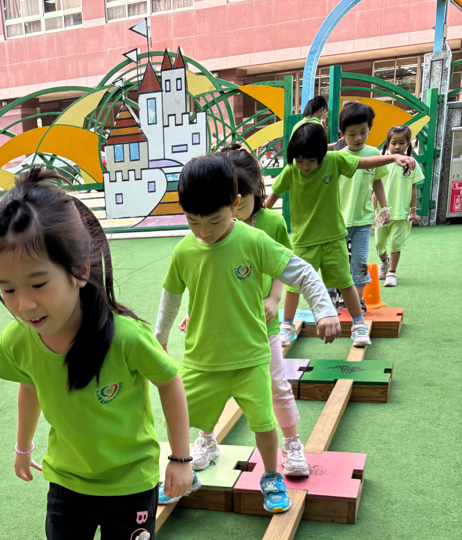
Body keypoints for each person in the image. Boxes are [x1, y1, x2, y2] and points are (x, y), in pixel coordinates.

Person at [0, 168, 192, 540]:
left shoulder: (124, 336)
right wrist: (23, 446)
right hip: (69, 481)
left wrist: (181, 457)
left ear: (79, 270)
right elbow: (30, 384)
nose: (24, 304)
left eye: (37, 284)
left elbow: (170, 381)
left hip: (129, 483)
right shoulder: (20, 340)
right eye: (8, 289)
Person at [155, 155, 339, 514]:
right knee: (178, 416)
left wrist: (325, 310)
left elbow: (301, 272)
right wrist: (159, 338)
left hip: (250, 357)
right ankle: (185, 472)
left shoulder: (253, 241)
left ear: (235, 203)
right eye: (193, 221)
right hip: (202, 359)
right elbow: (171, 297)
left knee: (263, 422)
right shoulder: (184, 250)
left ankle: (271, 477)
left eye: (214, 220)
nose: (204, 232)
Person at [178, 145, 309, 476]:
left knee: (275, 385)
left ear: (249, 194)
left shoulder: (270, 223)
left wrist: (275, 299)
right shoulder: (211, 226)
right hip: (220, 329)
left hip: (262, 325)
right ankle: (206, 438)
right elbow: (206, 279)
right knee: (211, 384)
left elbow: (285, 267)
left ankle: (292, 442)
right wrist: (200, 313)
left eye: (240, 203)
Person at [265, 121, 416, 347]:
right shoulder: (291, 170)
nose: (305, 166)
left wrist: (393, 157)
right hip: (303, 240)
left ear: (322, 154)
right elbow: (269, 202)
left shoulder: (333, 161)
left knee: (345, 283)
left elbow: (365, 162)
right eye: (300, 160)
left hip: (334, 238)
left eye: (311, 160)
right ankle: (287, 325)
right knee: (294, 286)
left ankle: (358, 324)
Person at [336, 102, 390, 312]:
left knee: (359, 261)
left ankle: (358, 299)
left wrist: (384, 208)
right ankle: (335, 297)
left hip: (363, 219)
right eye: (352, 134)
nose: (358, 138)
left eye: (363, 132)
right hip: (339, 220)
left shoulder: (373, 152)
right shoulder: (338, 158)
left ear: (369, 129)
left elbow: (377, 182)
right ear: (342, 134)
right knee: (337, 261)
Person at [375, 125, 424, 287]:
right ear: (387, 144)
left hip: (401, 213)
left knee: (396, 244)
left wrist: (413, 211)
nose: (397, 147)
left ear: (408, 144)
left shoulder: (412, 164)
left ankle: (392, 272)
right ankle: (385, 261)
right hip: (382, 213)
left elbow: (413, 189)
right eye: (393, 143)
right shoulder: (381, 163)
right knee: (379, 245)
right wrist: (373, 210)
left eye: (401, 143)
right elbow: (375, 188)